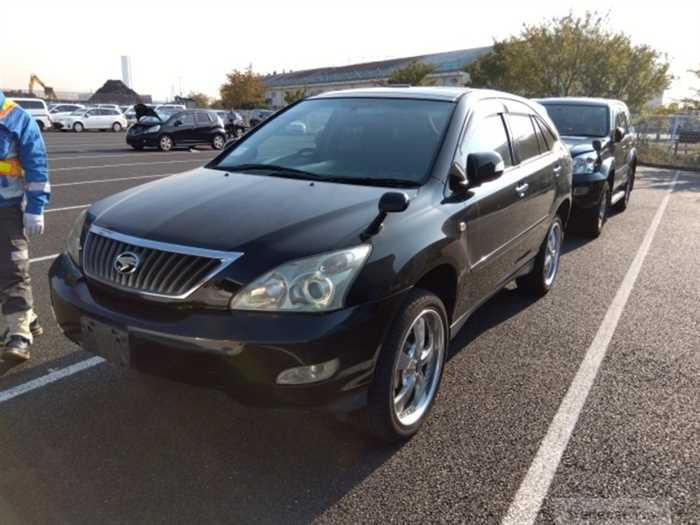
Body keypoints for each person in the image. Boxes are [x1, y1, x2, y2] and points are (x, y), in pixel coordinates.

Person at [0, 90, 50, 363]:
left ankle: (19, 335)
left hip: (8, 208)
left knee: (13, 268)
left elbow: (37, 165)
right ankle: (27, 318)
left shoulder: (18, 119)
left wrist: (35, 208)